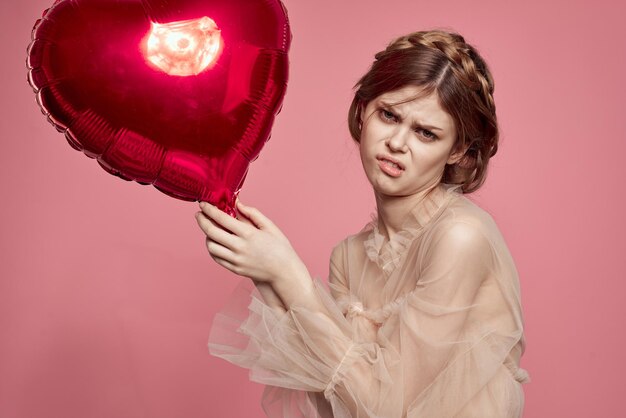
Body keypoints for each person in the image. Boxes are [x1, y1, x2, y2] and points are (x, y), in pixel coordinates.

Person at [195, 29, 530, 418]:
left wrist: (289, 274)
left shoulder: (459, 238)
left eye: (425, 133)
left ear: (456, 150)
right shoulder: (350, 256)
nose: (397, 142)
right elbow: (339, 405)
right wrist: (267, 275)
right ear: (362, 109)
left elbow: (388, 410)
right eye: (389, 115)